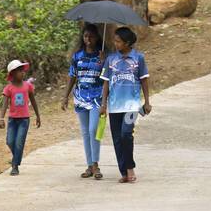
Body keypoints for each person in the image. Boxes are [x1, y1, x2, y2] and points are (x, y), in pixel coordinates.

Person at [99, 27, 151, 183]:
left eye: (118, 41)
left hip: (131, 106)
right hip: (114, 106)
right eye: (114, 41)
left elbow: (144, 80)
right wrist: (103, 104)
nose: (115, 44)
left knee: (126, 134)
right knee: (117, 139)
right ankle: (123, 172)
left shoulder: (138, 58)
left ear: (127, 43)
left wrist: (147, 101)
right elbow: (106, 83)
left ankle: (130, 167)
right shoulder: (110, 59)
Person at [63, 23, 104, 179]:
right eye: (86, 36)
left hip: (97, 97)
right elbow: (72, 76)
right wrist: (65, 96)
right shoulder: (77, 56)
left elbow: (107, 77)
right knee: (85, 132)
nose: (88, 39)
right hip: (80, 97)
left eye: (91, 36)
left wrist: (102, 63)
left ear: (97, 37)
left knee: (94, 130)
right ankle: (89, 166)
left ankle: (96, 164)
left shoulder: (102, 56)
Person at [0, 57, 41, 175]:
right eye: (19, 70)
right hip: (12, 119)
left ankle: (15, 165)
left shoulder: (27, 86)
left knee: (19, 142)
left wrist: (38, 116)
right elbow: (4, 104)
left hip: (24, 120)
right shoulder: (9, 88)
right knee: (10, 141)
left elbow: (33, 101)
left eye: (23, 70)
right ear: (13, 73)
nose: (23, 72)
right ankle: (17, 157)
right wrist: (1, 118)